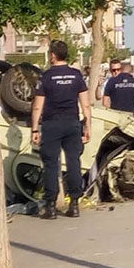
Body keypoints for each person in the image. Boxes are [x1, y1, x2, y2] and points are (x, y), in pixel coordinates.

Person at [31, 40, 92, 220]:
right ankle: (74, 204)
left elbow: (37, 107)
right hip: (73, 123)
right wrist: (88, 127)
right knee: (74, 161)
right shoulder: (76, 75)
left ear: (52, 55)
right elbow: (86, 104)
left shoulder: (46, 77)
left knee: (51, 163)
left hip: (52, 125)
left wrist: (35, 129)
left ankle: (50, 207)